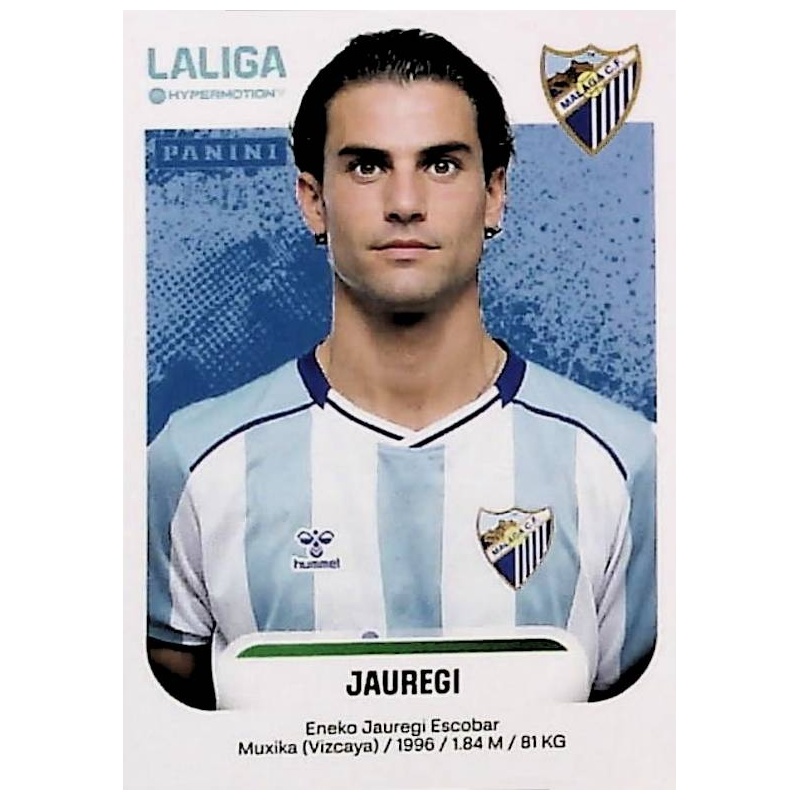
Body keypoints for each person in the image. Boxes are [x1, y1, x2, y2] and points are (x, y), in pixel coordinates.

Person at [147, 28, 656, 710]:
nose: (406, 202)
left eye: (441, 165)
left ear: (495, 193)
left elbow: (638, 733)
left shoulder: (623, 462)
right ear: (313, 201)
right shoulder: (192, 462)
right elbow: (164, 733)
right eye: (367, 167)